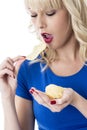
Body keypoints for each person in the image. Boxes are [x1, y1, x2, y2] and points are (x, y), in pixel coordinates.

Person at [0, 0, 87, 130]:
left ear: (72, 12)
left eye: (50, 13)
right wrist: (7, 97)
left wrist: (76, 100)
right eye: (33, 15)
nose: (40, 24)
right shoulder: (29, 70)